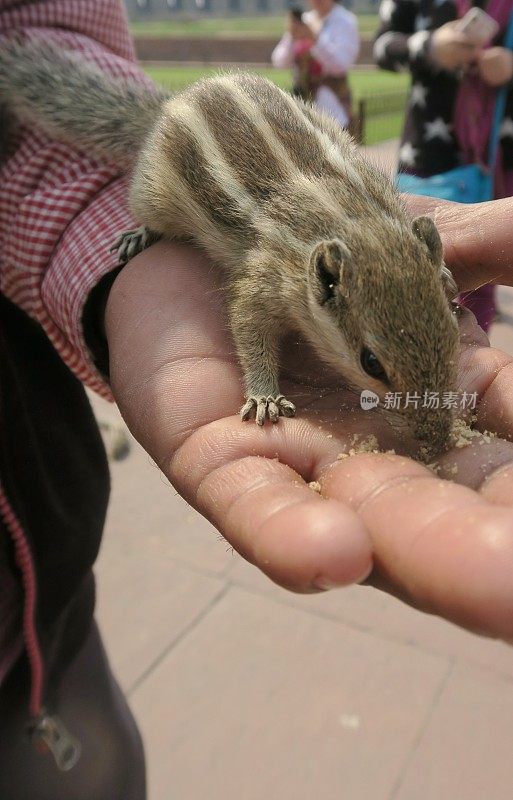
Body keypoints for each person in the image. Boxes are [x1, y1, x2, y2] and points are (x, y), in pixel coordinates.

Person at [3, 1, 513, 797]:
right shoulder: (289, 267)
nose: (403, 397)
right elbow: (248, 307)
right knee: (152, 204)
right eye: (375, 368)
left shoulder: (399, 240)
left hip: (44, 612)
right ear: (325, 283)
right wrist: (265, 387)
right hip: (188, 145)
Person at [374, 0, 513, 333]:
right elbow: (382, 47)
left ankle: (467, 378)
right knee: (414, 278)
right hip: (431, 165)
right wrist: (431, 46)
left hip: (499, 167)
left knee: (480, 288)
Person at [271, 0, 360, 129]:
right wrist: (292, 36)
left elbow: (340, 65)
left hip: (333, 108)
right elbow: (279, 61)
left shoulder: (345, 21)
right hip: (302, 104)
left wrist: (314, 40)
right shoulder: (306, 19)